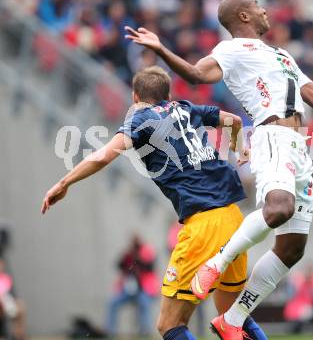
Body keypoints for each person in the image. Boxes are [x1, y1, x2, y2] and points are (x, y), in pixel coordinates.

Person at [124, 0, 313, 340]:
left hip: (298, 148)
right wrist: (162, 49)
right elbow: (197, 75)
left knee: (292, 249)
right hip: (272, 137)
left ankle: (233, 318)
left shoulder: (283, 55)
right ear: (243, 16)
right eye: (257, 4)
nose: (264, 9)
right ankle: (216, 264)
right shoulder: (230, 50)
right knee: (279, 208)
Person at [41, 66, 268, 340]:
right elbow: (232, 120)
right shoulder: (185, 108)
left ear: (135, 97)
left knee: (169, 324)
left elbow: (102, 157)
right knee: (231, 317)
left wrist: (64, 182)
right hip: (233, 218)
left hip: (203, 226)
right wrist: (238, 147)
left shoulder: (140, 120)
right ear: (168, 94)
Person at [106, 234, 159, 336]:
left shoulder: (146, 252)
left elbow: (150, 266)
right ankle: (110, 331)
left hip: (143, 290)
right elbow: (119, 265)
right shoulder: (129, 254)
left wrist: (138, 258)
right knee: (112, 302)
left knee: (144, 304)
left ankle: (145, 331)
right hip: (128, 290)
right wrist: (127, 255)